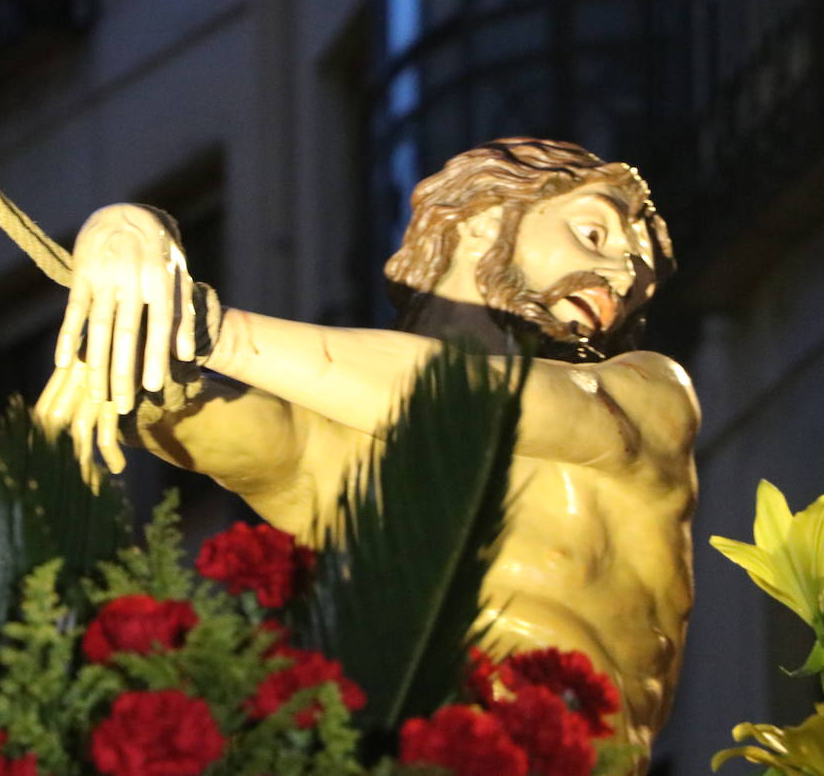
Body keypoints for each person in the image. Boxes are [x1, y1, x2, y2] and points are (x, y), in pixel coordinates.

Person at [36, 138, 699, 762]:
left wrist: (197, 327)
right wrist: (125, 274)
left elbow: (478, 402)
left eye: (637, 273)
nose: (620, 275)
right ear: (483, 219)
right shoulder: (355, 448)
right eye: (594, 233)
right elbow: (251, 435)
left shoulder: (648, 396)